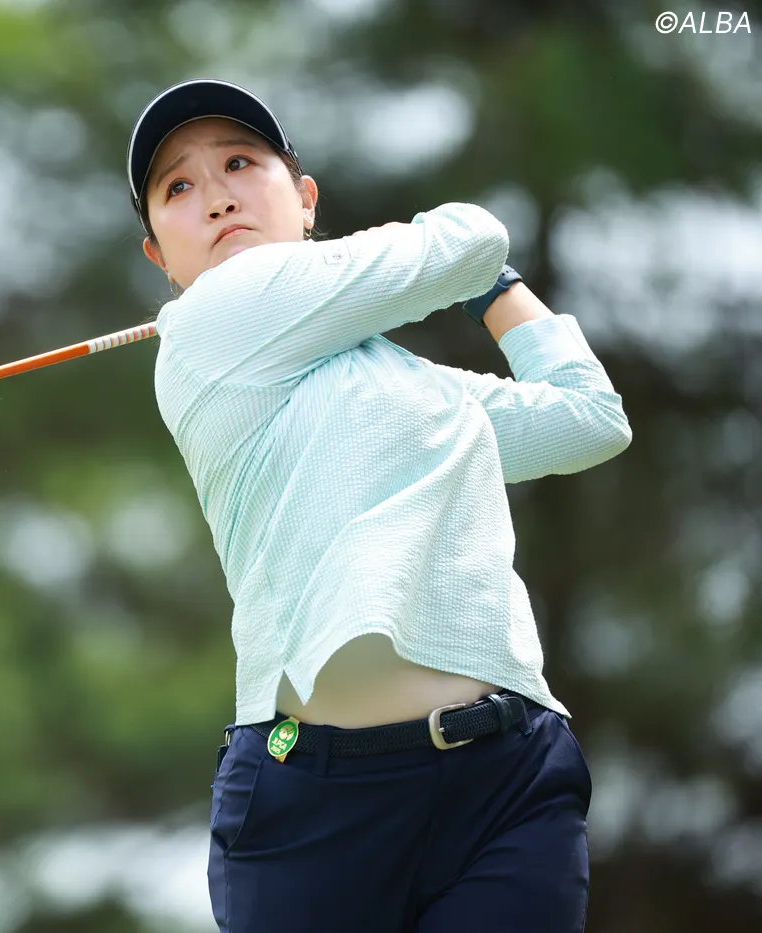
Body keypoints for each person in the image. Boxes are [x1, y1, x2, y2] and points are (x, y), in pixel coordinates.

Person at [126, 78, 632, 932]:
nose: (215, 197)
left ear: (306, 200)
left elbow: (589, 418)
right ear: (161, 259)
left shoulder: (416, 387)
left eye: (240, 164)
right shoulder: (209, 327)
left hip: (506, 785)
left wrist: (494, 285)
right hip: (315, 810)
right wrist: (481, 267)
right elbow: (471, 235)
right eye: (178, 186)